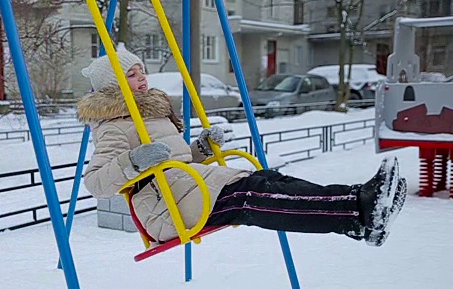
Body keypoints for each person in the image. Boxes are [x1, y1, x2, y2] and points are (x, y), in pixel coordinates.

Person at [78, 46, 407, 247]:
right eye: (133, 75)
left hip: (191, 189)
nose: (143, 78)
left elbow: (175, 160)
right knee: (254, 195)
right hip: (169, 210)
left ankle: (358, 206)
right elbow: (97, 184)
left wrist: (201, 150)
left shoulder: (154, 114)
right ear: (114, 84)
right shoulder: (115, 128)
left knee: (269, 181)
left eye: (142, 72)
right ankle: (359, 212)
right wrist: (134, 160)